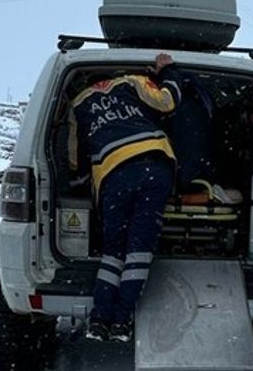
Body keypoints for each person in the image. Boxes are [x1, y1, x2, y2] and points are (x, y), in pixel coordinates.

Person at [68, 53, 182, 341]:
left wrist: (79, 179)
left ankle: (99, 319)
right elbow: (167, 101)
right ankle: (122, 319)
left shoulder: (79, 102)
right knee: (139, 246)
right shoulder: (134, 81)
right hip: (153, 165)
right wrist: (171, 73)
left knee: (113, 250)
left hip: (112, 173)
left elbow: (72, 156)